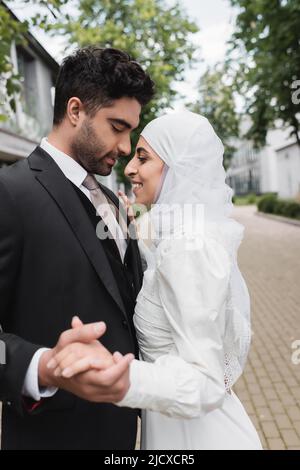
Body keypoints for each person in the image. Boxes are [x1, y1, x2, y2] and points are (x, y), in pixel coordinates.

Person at [52, 111, 263, 450]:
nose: (130, 167)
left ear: (177, 168)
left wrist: (119, 377)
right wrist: (126, 229)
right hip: (175, 428)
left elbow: (206, 382)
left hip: (198, 438)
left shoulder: (189, 247)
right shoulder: (183, 237)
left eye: (143, 157)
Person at [0, 46, 154, 450]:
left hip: (125, 431)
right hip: (54, 435)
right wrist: (43, 367)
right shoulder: (9, 193)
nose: (125, 147)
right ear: (75, 111)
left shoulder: (112, 200)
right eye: (117, 127)